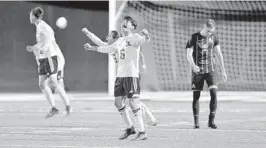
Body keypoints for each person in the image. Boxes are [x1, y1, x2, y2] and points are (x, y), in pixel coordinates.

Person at [83, 16, 150, 140]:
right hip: (120, 76)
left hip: (131, 75)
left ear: (133, 27)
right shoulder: (120, 40)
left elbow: (143, 41)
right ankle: (130, 128)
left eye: (127, 22)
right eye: (123, 22)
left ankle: (142, 131)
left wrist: (146, 36)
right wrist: (92, 48)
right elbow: (108, 48)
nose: (124, 23)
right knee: (118, 102)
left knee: (133, 103)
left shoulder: (135, 37)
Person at [26, 7, 71, 118]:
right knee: (41, 84)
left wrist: (43, 49)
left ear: (34, 16)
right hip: (43, 58)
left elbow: (50, 39)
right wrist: (34, 47)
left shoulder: (43, 26)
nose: (29, 17)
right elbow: (42, 42)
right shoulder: (39, 26)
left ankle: (68, 105)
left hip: (50, 57)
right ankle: (53, 108)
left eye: (30, 15)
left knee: (54, 83)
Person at [186, 19, 227, 129]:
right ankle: (196, 122)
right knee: (196, 96)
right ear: (204, 27)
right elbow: (188, 54)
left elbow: (219, 54)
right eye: (208, 30)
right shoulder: (194, 37)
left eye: (211, 31)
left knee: (214, 93)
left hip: (210, 70)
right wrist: (193, 65)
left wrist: (223, 70)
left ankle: (211, 121)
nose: (210, 33)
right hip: (198, 71)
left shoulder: (214, 37)